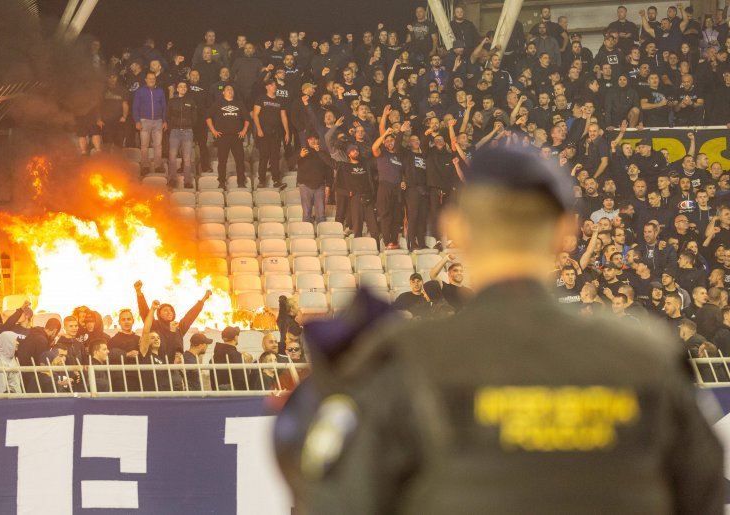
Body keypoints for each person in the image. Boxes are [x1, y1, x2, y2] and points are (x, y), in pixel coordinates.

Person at [275, 146, 723, 513]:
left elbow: (335, 499)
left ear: (457, 230)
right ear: (566, 232)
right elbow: (702, 492)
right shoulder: (650, 356)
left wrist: (319, 400)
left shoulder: (403, 360)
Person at [135, 280, 211, 364]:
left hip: (176, 365)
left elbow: (190, 316)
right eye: (165, 310)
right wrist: (139, 293)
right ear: (159, 314)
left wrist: (203, 300)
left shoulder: (178, 327)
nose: (169, 312)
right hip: (160, 363)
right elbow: (145, 312)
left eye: (171, 310)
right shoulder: (155, 325)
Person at [206, 84, 251, 189]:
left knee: (240, 161)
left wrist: (244, 130)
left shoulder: (239, 104)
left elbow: (247, 119)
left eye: (231, 89)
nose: (230, 91)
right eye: (227, 89)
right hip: (223, 137)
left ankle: (241, 182)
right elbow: (208, 117)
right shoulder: (218, 103)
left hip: (237, 137)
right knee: (222, 161)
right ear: (223, 92)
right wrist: (213, 131)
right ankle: (221, 182)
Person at [253, 79, 290, 189]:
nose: (274, 86)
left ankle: (276, 180)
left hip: (276, 133)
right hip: (263, 132)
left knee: (275, 157)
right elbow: (255, 115)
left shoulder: (280, 100)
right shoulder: (261, 98)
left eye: (275, 85)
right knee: (264, 156)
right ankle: (261, 180)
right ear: (267, 87)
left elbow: (284, 117)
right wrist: (259, 129)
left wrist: (287, 132)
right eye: (272, 85)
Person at [132, 71, 167, 175]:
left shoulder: (160, 91)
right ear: (146, 80)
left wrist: (164, 120)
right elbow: (135, 107)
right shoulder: (140, 91)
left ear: (155, 80)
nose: (151, 80)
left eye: (153, 78)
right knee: (144, 145)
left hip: (158, 121)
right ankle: (145, 166)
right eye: (149, 78)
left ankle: (157, 166)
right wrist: (137, 121)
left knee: (158, 145)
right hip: (144, 121)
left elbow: (164, 107)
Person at [166, 80, 199, 188]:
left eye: (185, 86)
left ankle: (187, 181)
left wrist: (190, 125)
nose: (183, 88)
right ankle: (172, 179)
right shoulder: (172, 101)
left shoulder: (192, 101)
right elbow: (168, 115)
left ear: (186, 88)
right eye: (180, 86)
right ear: (177, 89)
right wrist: (172, 125)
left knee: (187, 158)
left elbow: (195, 116)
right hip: (174, 131)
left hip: (187, 131)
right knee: (172, 157)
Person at [210, 326, 247, 391]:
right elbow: (242, 380)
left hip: (218, 396)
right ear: (235, 337)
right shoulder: (237, 356)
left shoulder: (214, 357)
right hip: (234, 397)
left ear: (223, 338)